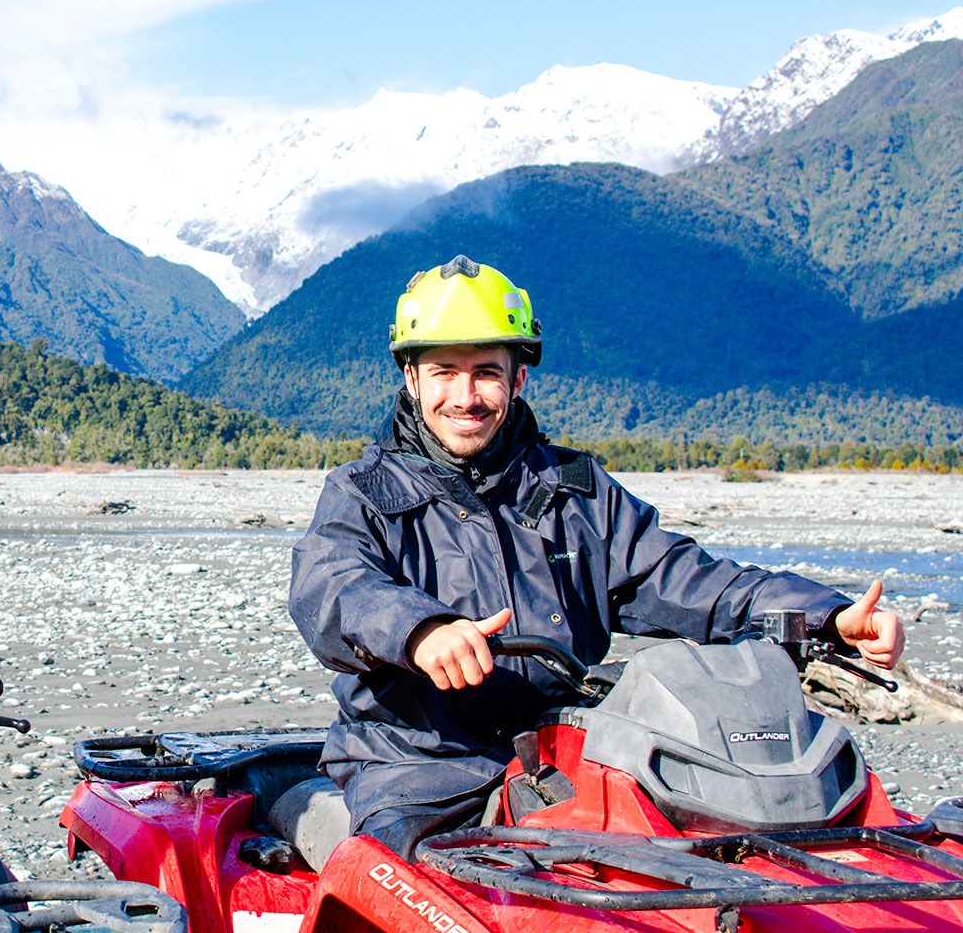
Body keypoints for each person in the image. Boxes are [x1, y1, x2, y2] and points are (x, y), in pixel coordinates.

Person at [287, 253, 904, 857]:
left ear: (517, 378)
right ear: (412, 378)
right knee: (430, 895)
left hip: (569, 748)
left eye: (486, 372)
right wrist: (419, 630)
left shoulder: (576, 491)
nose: (466, 395)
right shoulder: (362, 491)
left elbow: (683, 578)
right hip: (420, 768)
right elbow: (333, 588)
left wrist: (828, 615)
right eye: (445, 372)